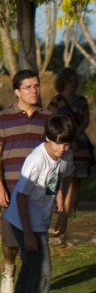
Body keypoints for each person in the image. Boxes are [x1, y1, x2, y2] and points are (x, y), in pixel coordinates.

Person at [2, 114, 76, 293]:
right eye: (57, 142)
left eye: (66, 143)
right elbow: (22, 198)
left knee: (30, 268)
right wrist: (28, 235)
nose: (62, 148)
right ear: (47, 138)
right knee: (42, 268)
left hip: (39, 219)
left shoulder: (66, 155)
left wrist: (64, 212)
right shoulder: (36, 160)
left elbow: (68, 177)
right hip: (21, 219)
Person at [0, 69, 51, 293]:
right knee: (11, 239)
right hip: (13, 188)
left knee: (37, 240)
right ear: (17, 92)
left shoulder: (48, 117)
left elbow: (56, 156)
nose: (34, 90)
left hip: (40, 192)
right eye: (28, 87)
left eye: (36, 86)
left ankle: (32, 289)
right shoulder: (3, 118)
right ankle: (8, 269)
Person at [50, 68, 92, 223]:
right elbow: (53, 118)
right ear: (64, 82)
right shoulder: (57, 101)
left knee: (77, 179)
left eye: (75, 80)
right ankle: (59, 207)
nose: (73, 83)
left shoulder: (81, 101)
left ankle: (72, 210)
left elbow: (86, 120)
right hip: (64, 141)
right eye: (70, 80)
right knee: (61, 175)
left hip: (80, 142)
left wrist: (77, 133)